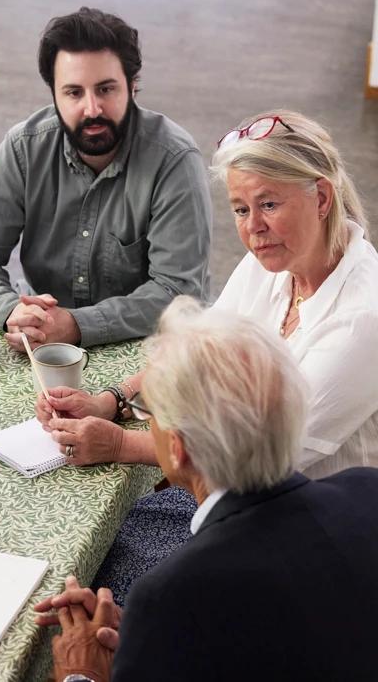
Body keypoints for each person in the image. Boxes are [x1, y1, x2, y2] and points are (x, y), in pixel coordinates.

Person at [34, 110, 378, 601]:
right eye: (240, 209)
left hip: (310, 541)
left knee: (111, 588)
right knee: (82, 560)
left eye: (269, 204)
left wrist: (117, 446)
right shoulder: (274, 259)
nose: (253, 227)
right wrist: (112, 399)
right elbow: (193, 354)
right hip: (238, 506)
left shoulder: (364, 319)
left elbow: (255, 455)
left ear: (321, 198)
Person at [36, 298, 378, 682]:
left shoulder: (170, 597)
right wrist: (146, 637)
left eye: (149, 413)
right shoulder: (367, 489)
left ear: (178, 449)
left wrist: (81, 673)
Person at [0, 7, 211, 352]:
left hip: (150, 350)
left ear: (132, 88)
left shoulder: (173, 159)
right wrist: (9, 309)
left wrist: (77, 324)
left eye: (106, 89)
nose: (92, 109)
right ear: (53, 94)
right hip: (42, 340)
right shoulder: (25, 147)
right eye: (73, 93)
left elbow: (179, 292)